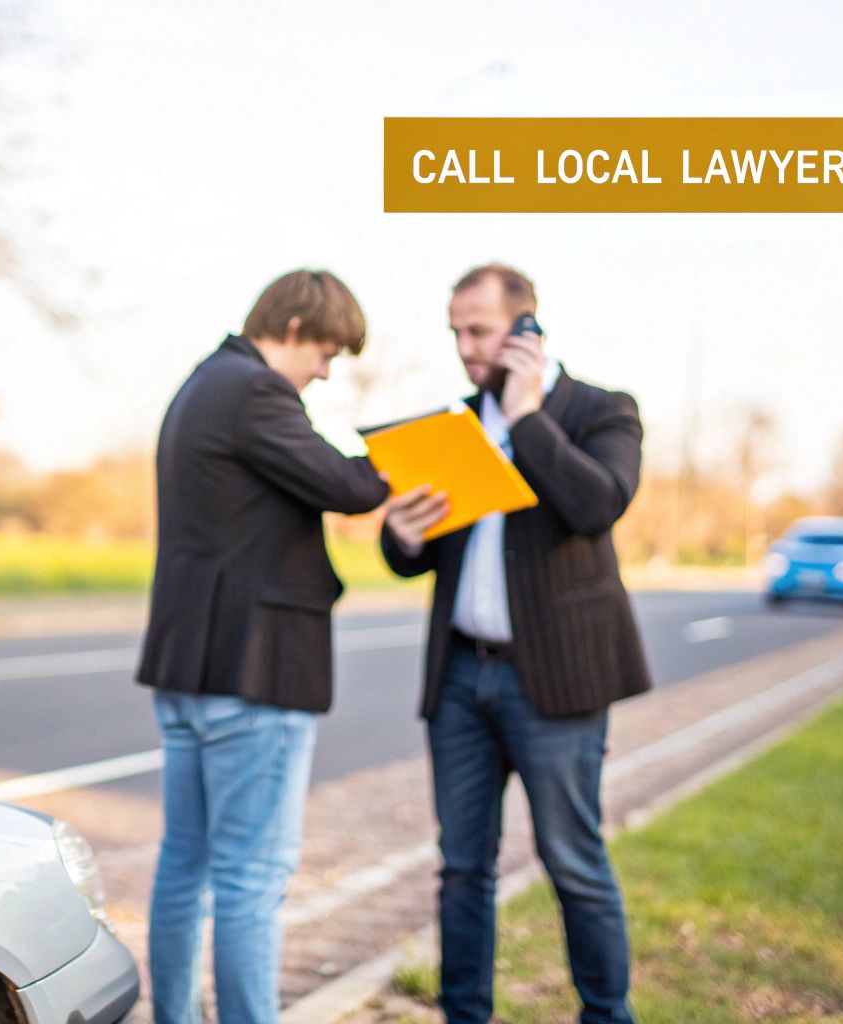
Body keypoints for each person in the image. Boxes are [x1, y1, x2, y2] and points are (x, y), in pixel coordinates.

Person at [379, 263, 650, 1024]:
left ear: (527, 330)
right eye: (456, 333)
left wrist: (529, 420)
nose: (465, 348)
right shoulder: (453, 424)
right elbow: (419, 554)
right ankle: (464, 1015)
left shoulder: (602, 410)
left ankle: (607, 1015)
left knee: (574, 862)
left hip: (554, 683)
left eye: (479, 331)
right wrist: (400, 537)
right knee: (463, 869)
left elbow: (597, 504)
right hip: (462, 678)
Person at [138, 269, 390, 1024]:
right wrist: (411, 458)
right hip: (253, 670)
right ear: (291, 327)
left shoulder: (201, 384)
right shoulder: (257, 392)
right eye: (326, 352)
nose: (324, 372)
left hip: (189, 665)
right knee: (253, 879)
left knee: (185, 867)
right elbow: (345, 486)